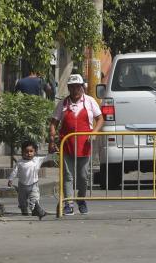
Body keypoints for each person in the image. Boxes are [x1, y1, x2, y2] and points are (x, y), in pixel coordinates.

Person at [49, 74, 104, 216]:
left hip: (84, 145)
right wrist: (51, 138)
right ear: (68, 88)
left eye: (77, 87)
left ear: (82, 87)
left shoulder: (90, 101)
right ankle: (69, 203)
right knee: (67, 176)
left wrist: (94, 133)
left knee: (83, 176)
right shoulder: (63, 104)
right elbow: (54, 122)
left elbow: (100, 119)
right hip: (66, 145)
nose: (75, 90)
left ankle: (81, 199)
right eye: (72, 87)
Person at [8, 140, 48, 219]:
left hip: (34, 184)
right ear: (22, 152)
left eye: (31, 151)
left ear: (35, 152)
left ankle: (35, 210)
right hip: (22, 185)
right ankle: (24, 210)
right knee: (22, 200)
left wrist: (54, 153)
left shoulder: (37, 160)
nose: (29, 153)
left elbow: (47, 158)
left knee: (35, 197)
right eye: (26, 151)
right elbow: (14, 172)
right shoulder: (20, 162)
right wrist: (10, 179)